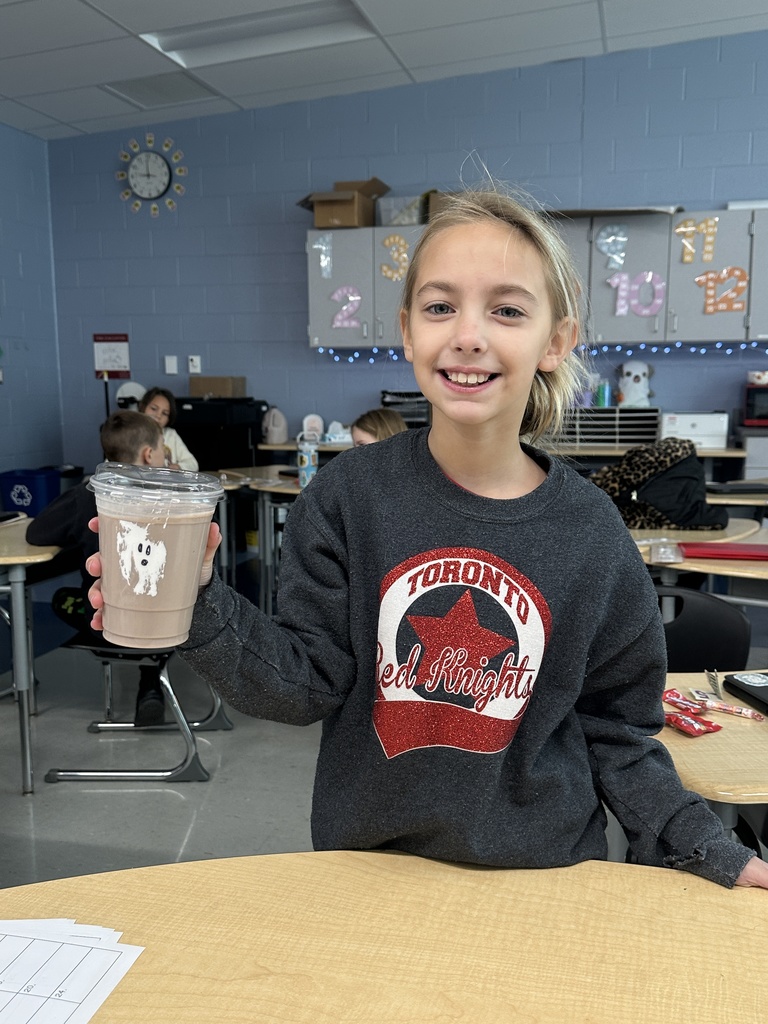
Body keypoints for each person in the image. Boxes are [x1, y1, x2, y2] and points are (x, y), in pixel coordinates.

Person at [89, 186, 768, 890]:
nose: (469, 334)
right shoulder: (349, 499)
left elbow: (620, 731)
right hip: (372, 871)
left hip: (546, 874)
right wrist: (196, 604)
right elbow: (304, 686)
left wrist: (706, 847)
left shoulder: (591, 531)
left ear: (555, 341)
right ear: (408, 330)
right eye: (441, 307)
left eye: (507, 310)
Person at [29, 411, 168, 726]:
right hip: (170, 621)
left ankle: (26, 684)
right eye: (163, 449)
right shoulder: (173, 497)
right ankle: (150, 684)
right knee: (150, 600)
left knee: (62, 598)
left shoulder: (89, 494)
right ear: (149, 455)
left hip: (105, 622)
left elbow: (36, 533)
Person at [138, 386, 199, 471]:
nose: (158, 416)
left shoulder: (171, 435)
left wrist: (178, 467)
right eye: (154, 409)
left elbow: (193, 464)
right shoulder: (133, 432)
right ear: (143, 407)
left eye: (165, 413)